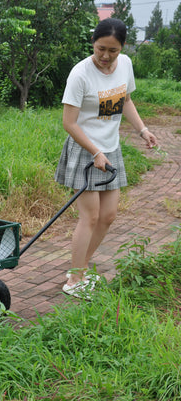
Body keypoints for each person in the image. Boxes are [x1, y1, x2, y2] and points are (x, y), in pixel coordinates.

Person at [54, 18, 158, 298]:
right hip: (85, 150)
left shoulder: (124, 65)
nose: (105, 56)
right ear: (93, 43)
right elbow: (69, 123)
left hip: (110, 149)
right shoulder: (80, 74)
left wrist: (143, 129)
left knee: (109, 216)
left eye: (112, 50)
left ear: (122, 48)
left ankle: (80, 266)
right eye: (100, 48)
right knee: (90, 217)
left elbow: (125, 101)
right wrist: (95, 152)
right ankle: (74, 280)